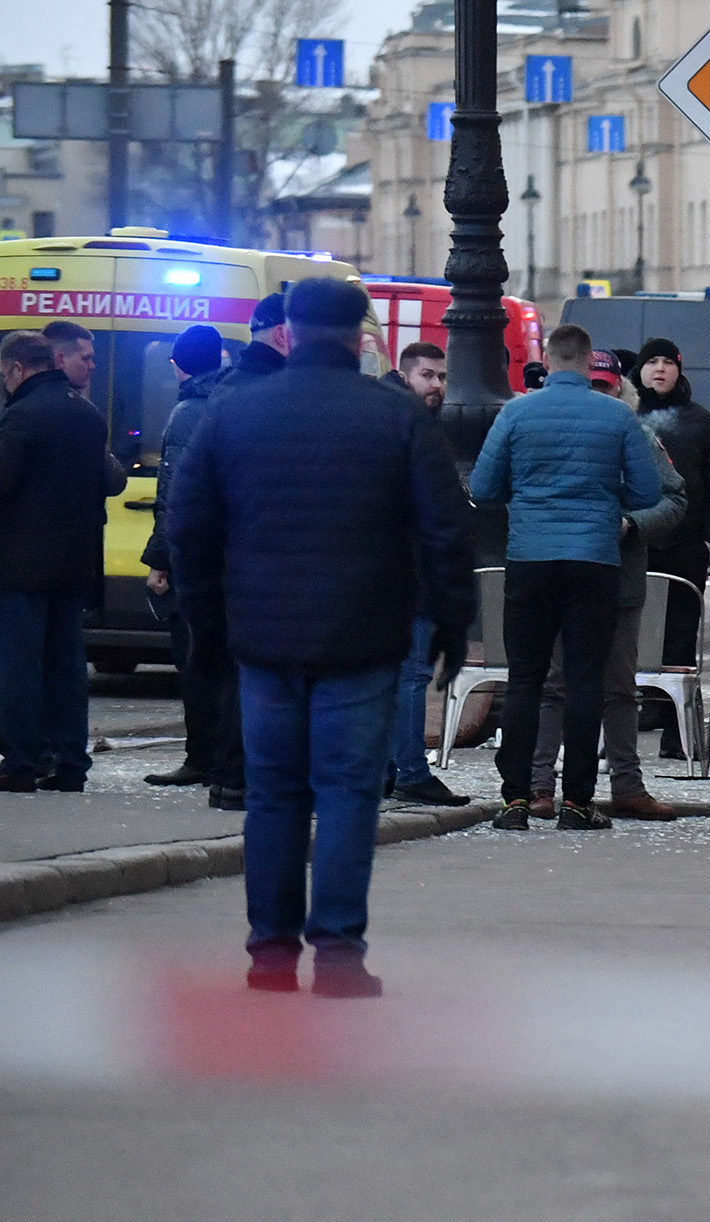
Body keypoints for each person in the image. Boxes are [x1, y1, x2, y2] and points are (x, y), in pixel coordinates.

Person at [168, 278, 475, 995]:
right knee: (346, 792)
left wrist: (208, 626)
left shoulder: (232, 413)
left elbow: (189, 529)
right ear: (358, 335)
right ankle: (338, 952)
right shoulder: (397, 418)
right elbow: (443, 530)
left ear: (289, 331)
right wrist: (451, 623)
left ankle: (270, 954)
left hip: (263, 638)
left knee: (274, 796)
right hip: (362, 637)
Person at [472, 324, 663, 832]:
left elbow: (486, 487)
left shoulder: (515, 412)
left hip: (531, 559)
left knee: (526, 680)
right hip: (594, 561)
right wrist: (603, 490)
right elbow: (648, 494)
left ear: (548, 360)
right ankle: (578, 803)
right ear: (585, 362)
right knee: (584, 682)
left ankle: (516, 800)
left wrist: (530, 489)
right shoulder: (618, 415)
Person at [525, 349, 688, 821]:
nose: (598, 394)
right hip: (564, 569)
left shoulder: (638, 436)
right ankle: (540, 786)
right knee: (555, 683)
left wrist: (631, 524)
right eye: (590, 385)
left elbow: (675, 497)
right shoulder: (554, 431)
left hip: (618, 576)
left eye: (606, 386)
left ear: (620, 390)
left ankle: (626, 785)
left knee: (618, 686)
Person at [0, 331, 127, 792]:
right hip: (75, 565)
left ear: (17, 369)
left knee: (19, 665)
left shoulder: (22, 417)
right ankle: (71, 762)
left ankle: (20, 763)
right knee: (68, 666)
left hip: (21, 566)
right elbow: (104, 480)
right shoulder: (88, 415)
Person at [140, 326, 244, 798]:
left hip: (197, 555)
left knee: (197, 658)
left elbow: (175, 495)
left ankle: (201, 757)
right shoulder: (231, 400)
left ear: (178, 364)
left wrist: (160, 558)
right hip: (234, 553)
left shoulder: (186, 411)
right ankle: (224, 756)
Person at [630, 337, 710, 760]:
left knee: (681, 636)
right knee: (637, 633)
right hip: (639, 542)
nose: (659, 370)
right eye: (651, 362)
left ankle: (676, 729)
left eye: (667, 362)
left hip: (686, 545)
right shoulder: (628, 416)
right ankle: (645, 711)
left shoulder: (699, 421)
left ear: (679, 369)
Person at [383, 340, 471, 807]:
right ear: (404, 376)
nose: (437, 385)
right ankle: (412, 772)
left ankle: (389, 769)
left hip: (392, 571)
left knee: (391, 676)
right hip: (405, 571)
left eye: (442, 377)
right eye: (428, 376)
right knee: (412, 675)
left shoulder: (396, 416)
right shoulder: (405, 423)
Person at [42, 321, 97, 395]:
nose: (92, 366)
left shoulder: (25, 399)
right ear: (60, 360)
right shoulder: (75, 405)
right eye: (85, 358)